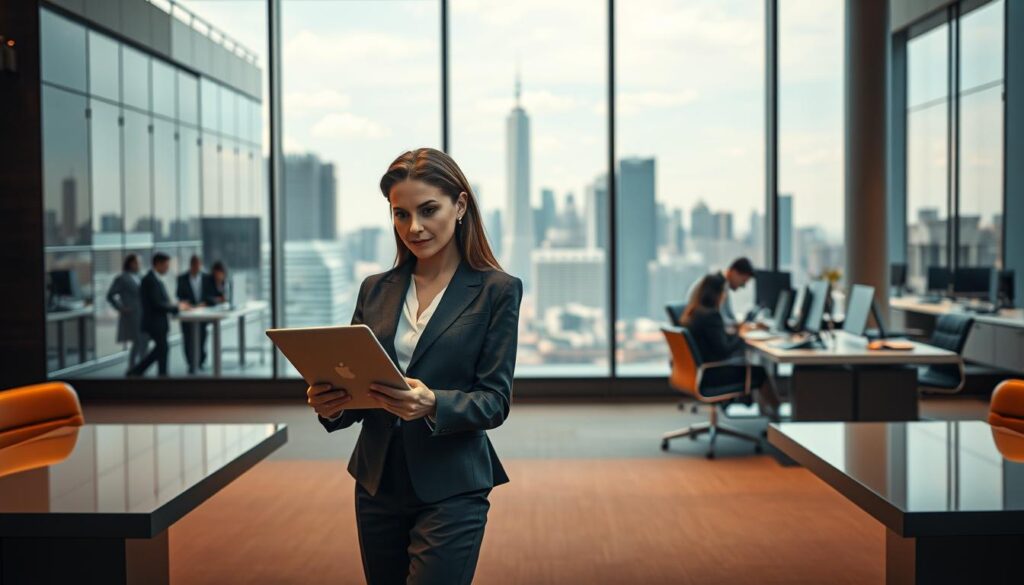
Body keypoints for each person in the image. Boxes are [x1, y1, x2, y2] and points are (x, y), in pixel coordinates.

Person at [306, 148, 523, 585]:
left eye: (428, 211)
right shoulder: (376, 289)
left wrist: (432, 403)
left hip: (452, 484)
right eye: (400, 214)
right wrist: (332, 404)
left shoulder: (497, 291)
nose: (414, 228)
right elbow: (358, 389)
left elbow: (494, 402)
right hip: (377, 481)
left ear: (460, 206)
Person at [680, 273, 781, 419]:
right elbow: (724, 351)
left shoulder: (696, 312)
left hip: (701, 371)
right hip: (712, 375)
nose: (725, 296)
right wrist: (741, 336)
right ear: (717, 294)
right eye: (724, 292)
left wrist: (736, 334)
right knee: (760, 372)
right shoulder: (712, 316)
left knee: (753, 368)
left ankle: (768, 412)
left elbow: (717, 342)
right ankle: (777, 416)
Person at [128, 253, 184, 377]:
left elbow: (162, 301)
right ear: (157, 264)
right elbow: (157, 303)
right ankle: (137, 371)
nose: (167, 268)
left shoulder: (156, 279)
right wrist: (176, 308)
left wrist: (175, 306)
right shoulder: (149, 280)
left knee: (162, 349)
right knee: (162, 349)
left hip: (159, 322)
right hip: (154, 323)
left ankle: (161, 375)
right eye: (166, 265)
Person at [685, 257, 755, 328]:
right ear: (734, 272)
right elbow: (721, 320)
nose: (743, 286)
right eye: (743, 281)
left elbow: (728, 315)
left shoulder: (722, 283)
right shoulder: (717, 286)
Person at [106, 254, 148, 372]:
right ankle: (136, 367)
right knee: (138, 340)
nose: (139, 265)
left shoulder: (140, 277)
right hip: (132, 315)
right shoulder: (122, 278)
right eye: (136, 263)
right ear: (130, 264)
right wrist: (121, 308)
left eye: (139, 263)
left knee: (142, 341)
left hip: (143, 313)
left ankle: (137, 366)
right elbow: (110, 295)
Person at [176, 255, 211, 374]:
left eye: (198, 264)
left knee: (202, 338)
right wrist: (189, 305)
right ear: (191, 265)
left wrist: (205, 303)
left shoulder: (206, 277)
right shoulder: (182, 278)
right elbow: (180, 295)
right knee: (188, 339)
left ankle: (200, 362)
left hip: (203, 314)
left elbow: (210, 294)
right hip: (188, 314)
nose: (196, 267)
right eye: (194, 264)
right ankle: (191, 364)